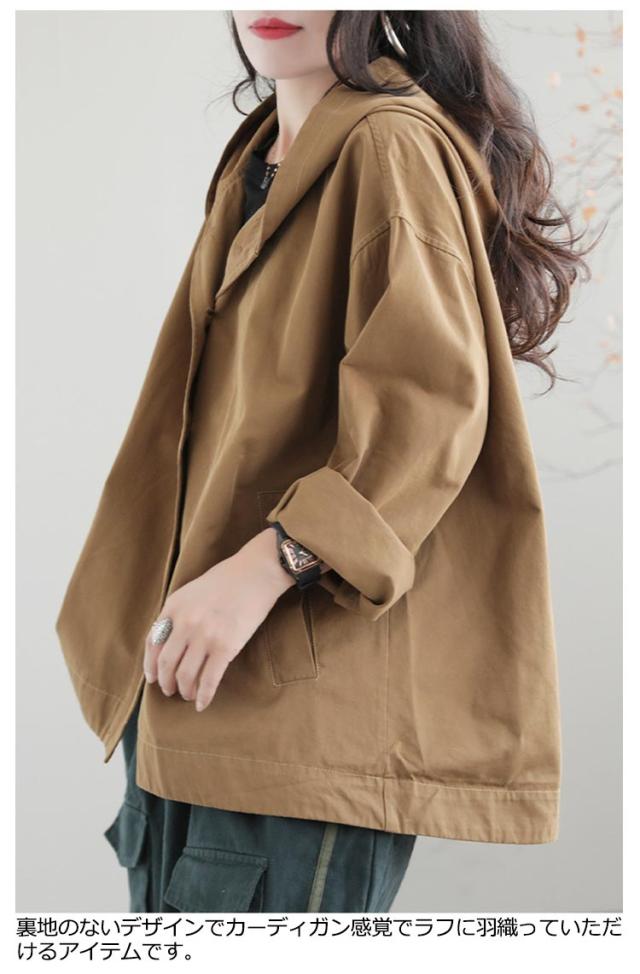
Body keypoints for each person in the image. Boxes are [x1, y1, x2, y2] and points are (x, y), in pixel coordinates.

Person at [56, 11, 595, 913]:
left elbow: (429, 406)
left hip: (298, 704)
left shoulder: (388, 143)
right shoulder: (266, 149)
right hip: (198, 689)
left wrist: (272, 561)